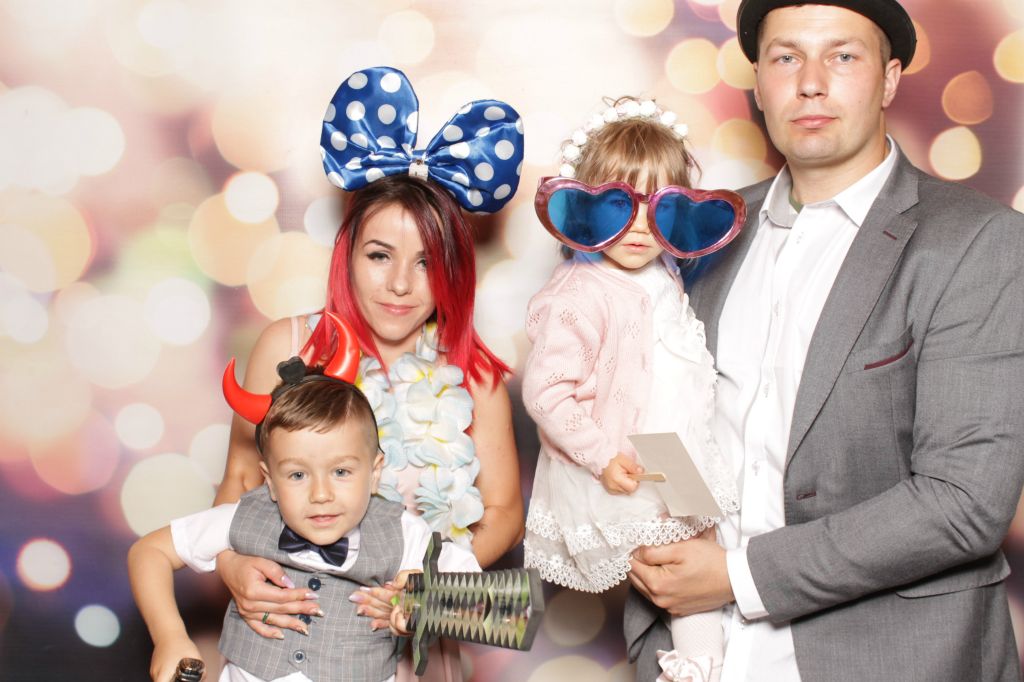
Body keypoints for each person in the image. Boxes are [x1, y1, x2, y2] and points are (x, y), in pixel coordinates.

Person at [624, 1, 1024, 680]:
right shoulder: (704, 231)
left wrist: (736, 577)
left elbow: (965, 502)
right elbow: (654, 416)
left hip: (892, 659)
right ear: (758, 83)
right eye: (786, 57)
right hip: (695, 653)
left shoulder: (977, 241)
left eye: (842, 56)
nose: (810, 82)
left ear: (889, 79)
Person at [213, 66, 526, 682]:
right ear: (347, 254)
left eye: (426, 263)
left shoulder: (475, 376)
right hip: (287, 638)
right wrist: (231, 567)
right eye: (380, 256)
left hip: (411, 642)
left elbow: (504, 512)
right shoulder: (287, 346)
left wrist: (432, 585)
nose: (401, 284)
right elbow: (241, 479)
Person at [522, 96, 745, 682]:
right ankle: (696, 667)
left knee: (703, 557)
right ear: (587, 207)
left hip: (677, 444)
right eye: (621, 205)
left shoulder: (663, 270)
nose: (642, 226)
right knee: (678, 562)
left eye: (660, 205)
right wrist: (601, 456)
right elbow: (547, 392)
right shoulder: (578, 292)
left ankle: (705, 661)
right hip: (631, 457)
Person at [128, 315, 479, 682]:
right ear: (270, 481)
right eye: (297, 475)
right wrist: (169, 637)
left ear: (375, 471)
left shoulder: (404, 532)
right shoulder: (247, 515)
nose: (321, 494)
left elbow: (483, 602)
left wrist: (424, 604)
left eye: (341, 472)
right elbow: (148, 553)